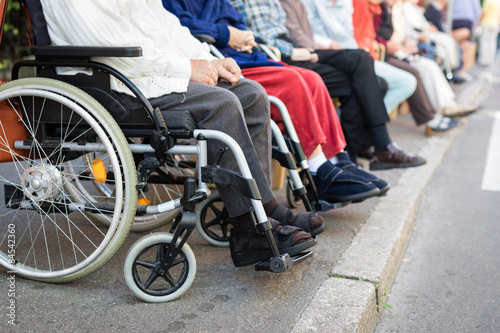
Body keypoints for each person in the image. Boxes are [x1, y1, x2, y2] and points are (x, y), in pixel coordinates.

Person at [40, 0, 321, 267]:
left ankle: (264, 207)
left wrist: (209, 60)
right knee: (221, 104)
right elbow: (111, 49)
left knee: (251, 94)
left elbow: (165, 28)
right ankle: (249, 228)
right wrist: (187, 68)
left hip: (142, 75)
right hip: (109, 83)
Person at [162, 0, 388, 200]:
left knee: (313, 79)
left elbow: (237, 22)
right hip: (220, 60)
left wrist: (245, 36)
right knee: (292, 81)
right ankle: (319, 171)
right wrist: (227, 34)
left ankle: (337, 160)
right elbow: (178, 27)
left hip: (243, 54)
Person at [230, 0, 426, 171]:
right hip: (294, 53)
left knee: (363, 74)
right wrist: (301, 51)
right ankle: (374, 148)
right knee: (362, 64)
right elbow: (260, 37)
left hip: (306, 51)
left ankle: (352, 156)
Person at [301, 0, 458, 134]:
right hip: (340, 55)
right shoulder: (362, 5)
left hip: (359, 54)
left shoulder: (380, 8)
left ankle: (369, 135)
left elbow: (354, 37)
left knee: (415, 72)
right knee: (407, 76)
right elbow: (361, 37)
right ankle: (371, 137)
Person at [477, 0, 500, 66]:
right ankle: (490, 59)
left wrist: (479, 21)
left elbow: (484, 12)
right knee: (492, 42)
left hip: (486, 23)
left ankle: (483, 59)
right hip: (495, 24)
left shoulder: (488, 1)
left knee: (484, 41)